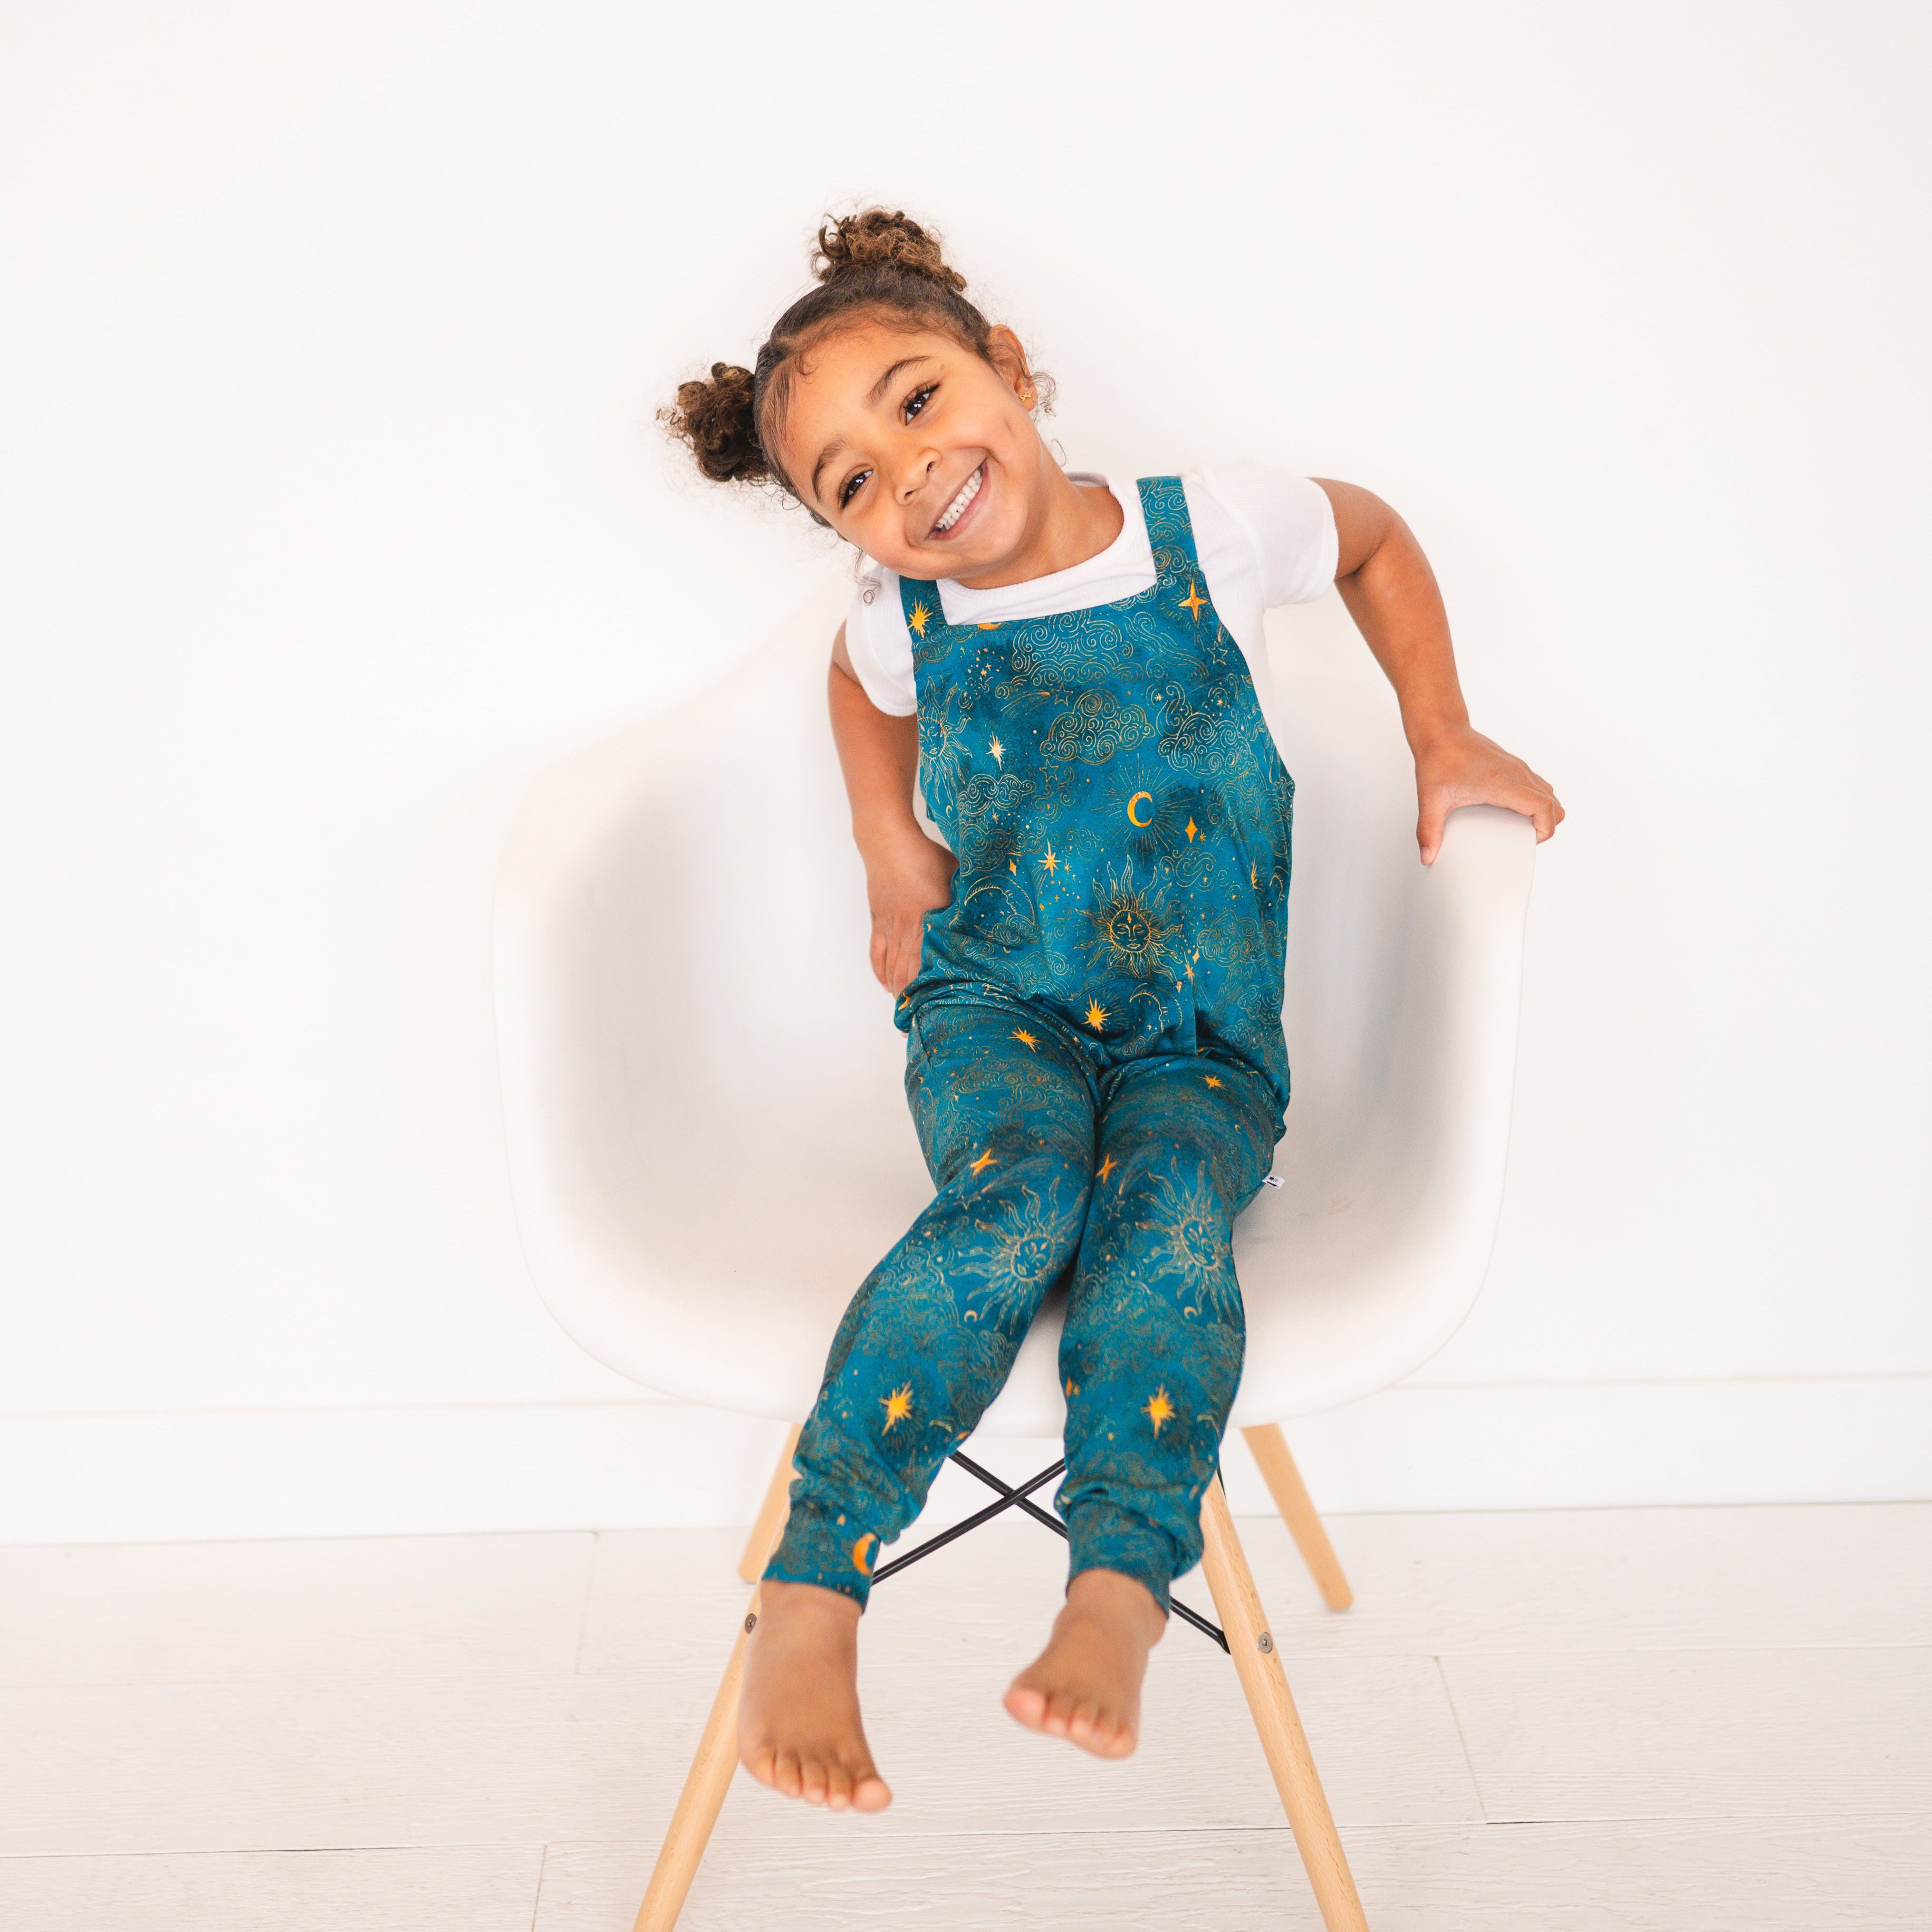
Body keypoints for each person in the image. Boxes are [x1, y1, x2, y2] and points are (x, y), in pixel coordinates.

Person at [663, 208, 1562, 1816]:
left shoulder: (1210, 527)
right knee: (1022, 1200)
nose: (908, 476)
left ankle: (1119, 1585)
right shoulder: (903, 624)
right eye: (851, 483)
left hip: (1199, 1045)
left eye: (919, 402)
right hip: (996, 1012)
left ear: (1007, 368)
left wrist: (1445, 730)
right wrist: (890, 856)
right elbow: (855, 694)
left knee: (1158, 1217)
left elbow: (1370, 537)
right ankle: (812, 1588)